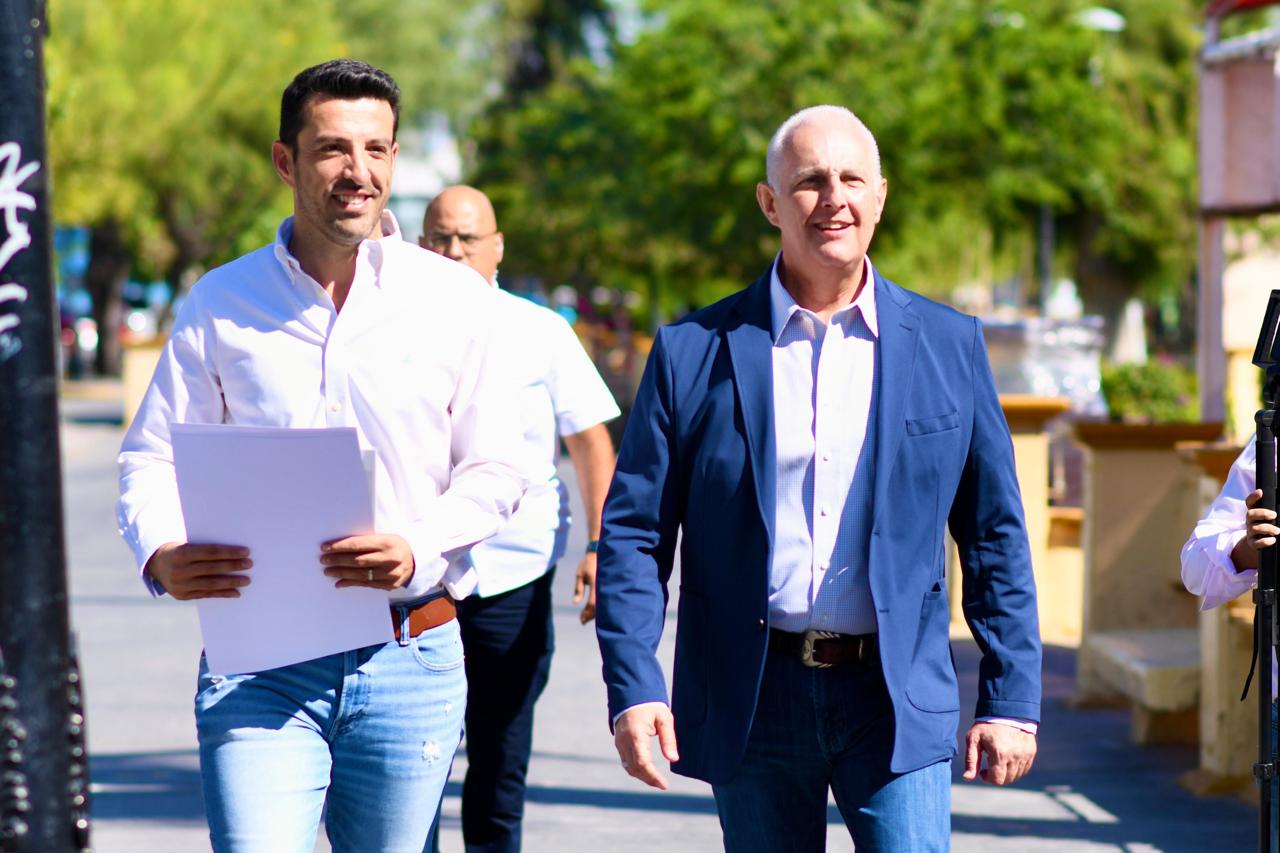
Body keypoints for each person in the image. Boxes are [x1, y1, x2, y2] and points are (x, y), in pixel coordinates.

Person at [594, 105, 1042, 852]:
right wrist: (634, 687)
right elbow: (635, 535)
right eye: (809, 181)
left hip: (895, 696)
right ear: (770, 203)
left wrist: (1010, 697)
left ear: (880, 197)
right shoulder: (692, 351)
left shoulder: (949, 345)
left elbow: (994, 532)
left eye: (852, 179)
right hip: (752, 697)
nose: (834, 198)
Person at [117, 60, 528, 852]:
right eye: (334, 148)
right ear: (286, 161)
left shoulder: (454, 300)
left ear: (395, 158)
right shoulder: (222, 302)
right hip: (259, 663)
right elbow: (151, 457)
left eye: (376, 149)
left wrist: (419, 543)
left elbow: (499, 466)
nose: (357, 171)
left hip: (411, 654)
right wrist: (161, 549)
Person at [420, 185, 620, 851]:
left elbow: (590, 441)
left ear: (497, 247)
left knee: (499, 759)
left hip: (513, 576)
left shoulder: (539, 331)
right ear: (420, 244)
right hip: (416, 579)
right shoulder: (392, 329)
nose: (454, 250)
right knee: (410, 760)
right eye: (441, 237)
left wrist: (600, 545)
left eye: (467, 238)